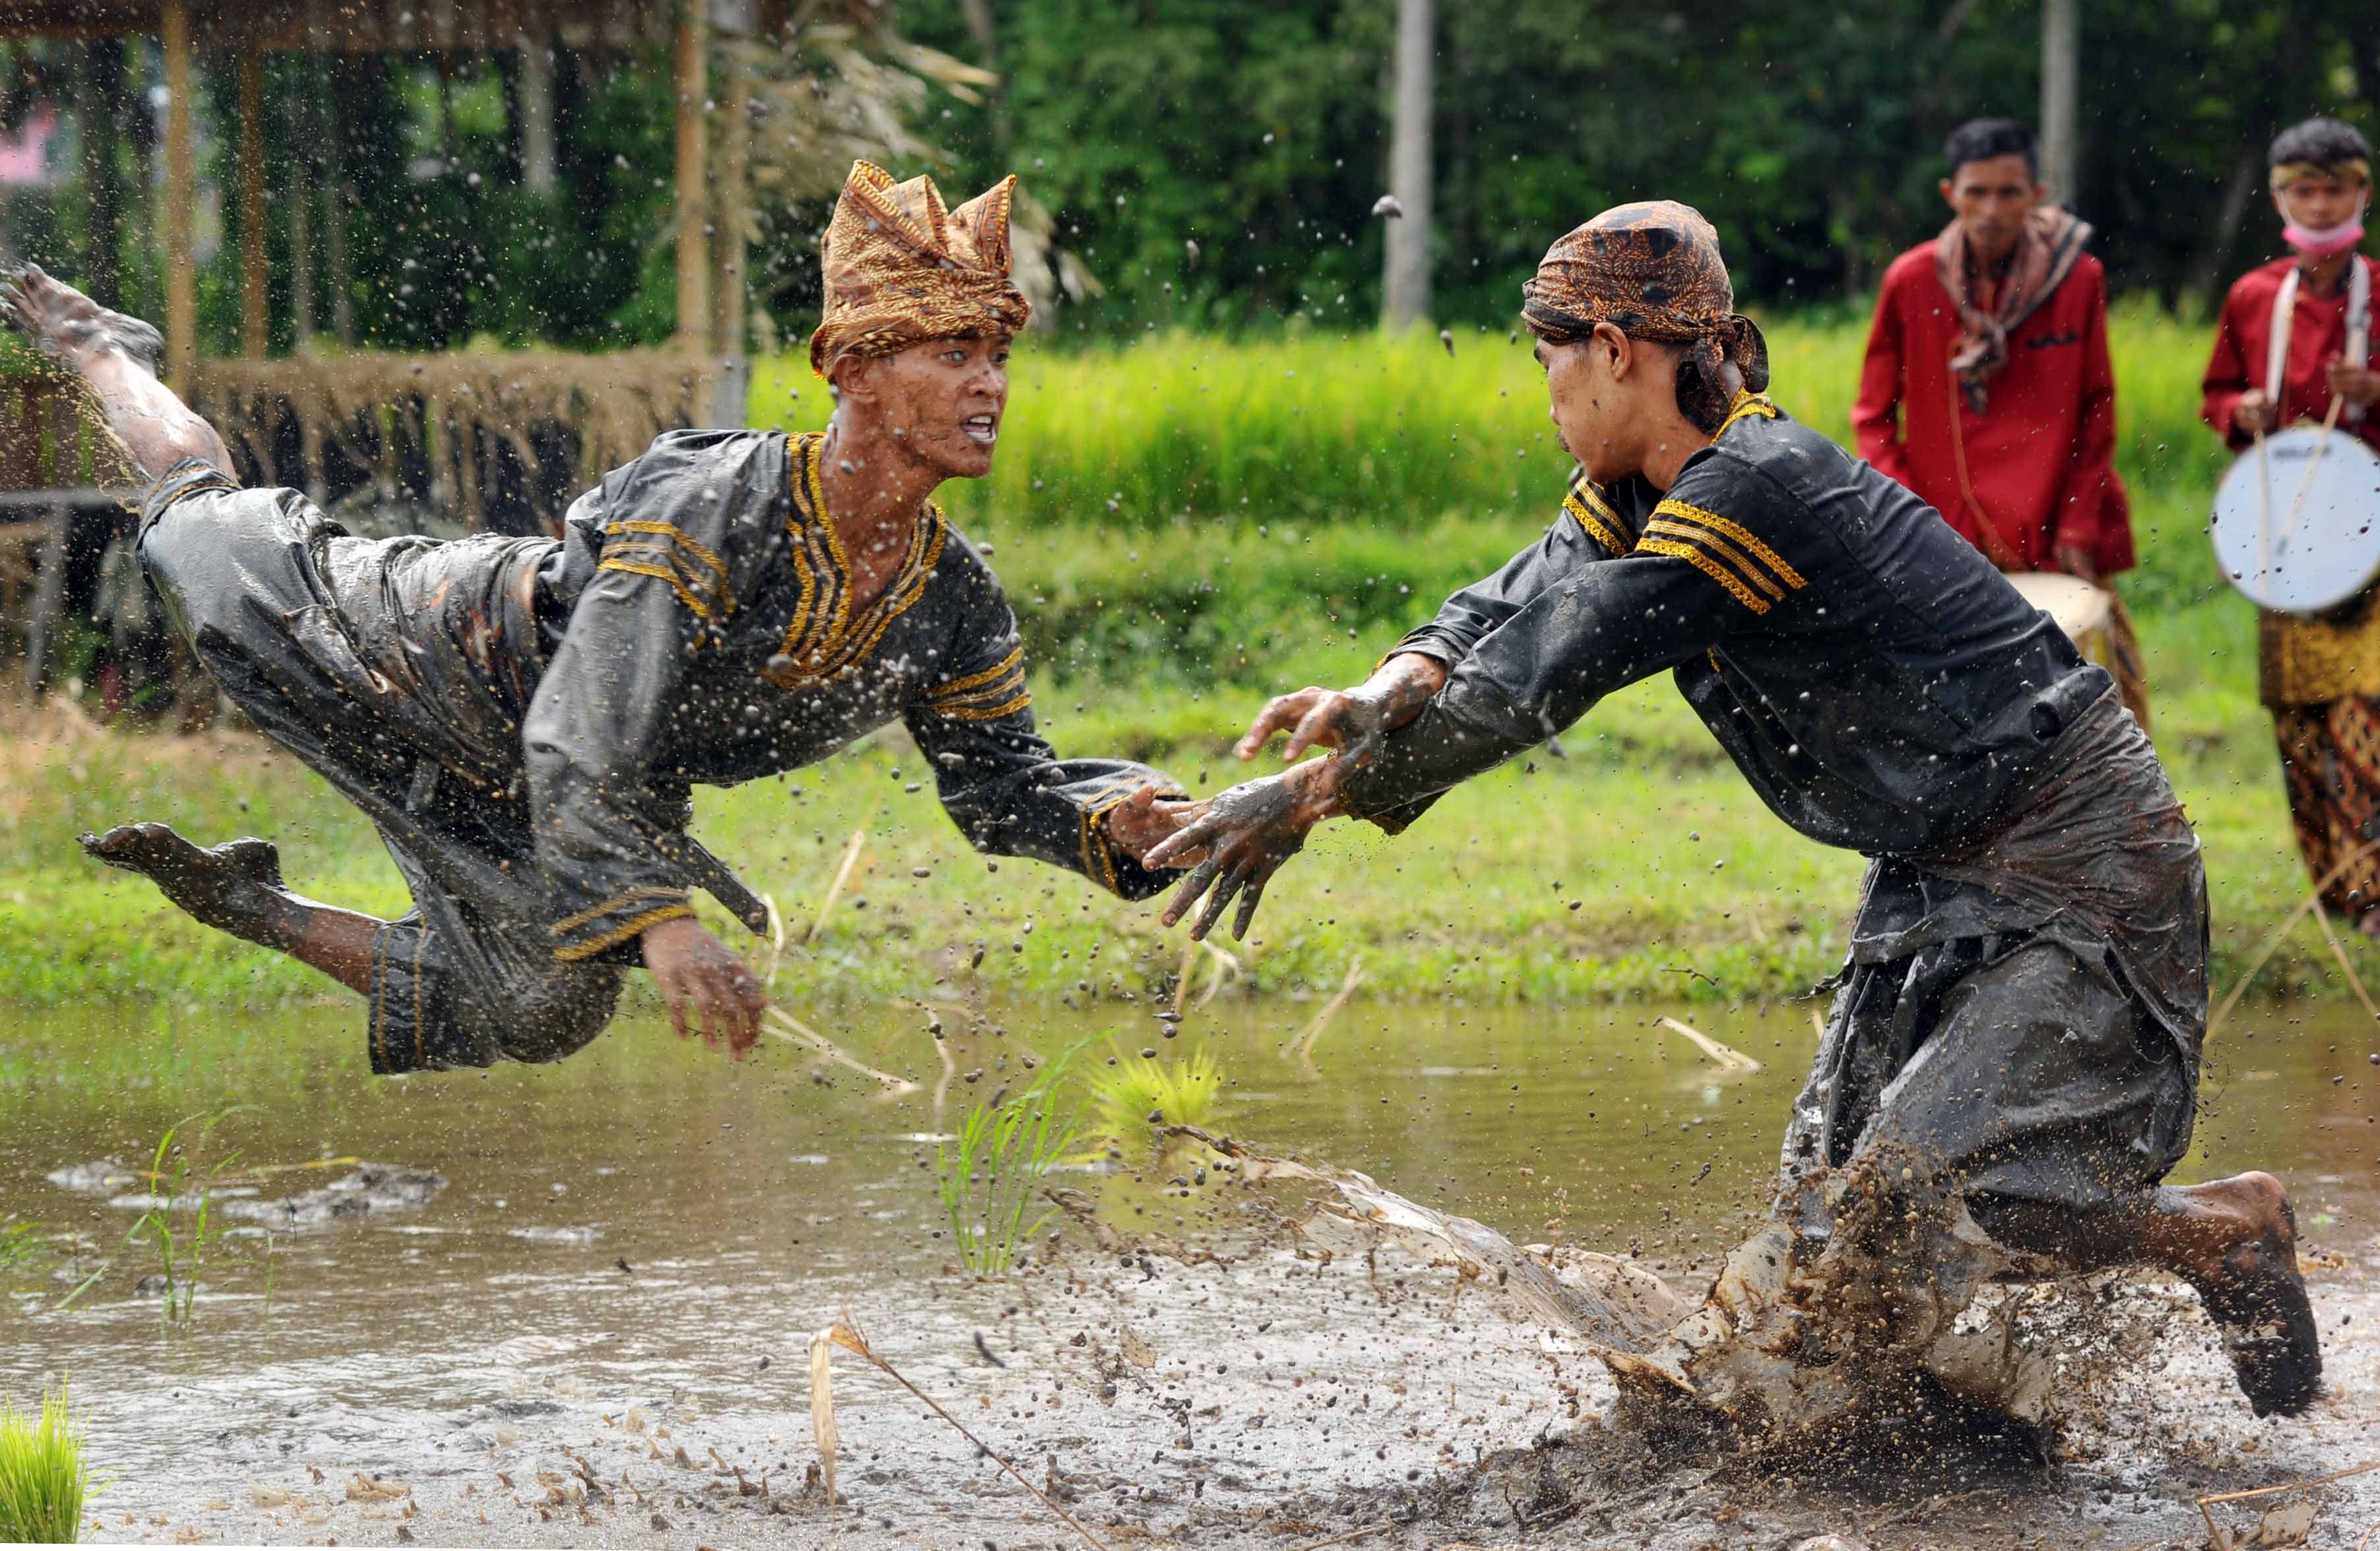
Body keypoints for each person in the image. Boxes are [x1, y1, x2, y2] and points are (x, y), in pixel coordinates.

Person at [1152, 202, 2321, 1419]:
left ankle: (2221, 1233)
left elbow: (1563, 653)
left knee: (1917, 1186)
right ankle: (1905, 1422)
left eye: (1545, 356)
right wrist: (1402, 672)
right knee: (1827, 1217)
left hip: (2074, 847)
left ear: (1613, 351)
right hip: (1936, 861)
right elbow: (1532, 590)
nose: (1541, 387)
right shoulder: (1640, 486)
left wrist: (1317, 792)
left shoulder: (1753, 486)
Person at [1, 160, 1190, 1074]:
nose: (988, 384)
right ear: (855, 370)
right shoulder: (713, 501)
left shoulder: (952, 601)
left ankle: (251, 902)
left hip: (542, 780)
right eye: (953, 352)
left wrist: (1126, 826)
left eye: (996, 355)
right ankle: (108, 352)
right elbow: (579, 729)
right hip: (422, 651)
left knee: (539, 1007)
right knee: (197, 541)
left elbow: (1007, 789)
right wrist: (665, 923)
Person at [1854, 117, 2146, 725]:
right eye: (1976, 192)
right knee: (1960, 721)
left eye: (2009, 192)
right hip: (1947, 535)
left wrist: (2078, 526)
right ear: (1949, 194)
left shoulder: (2078, 278)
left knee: (2102, 712)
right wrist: (1907, 524)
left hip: (2057, 531)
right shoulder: (1911, 279)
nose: (1991, 209)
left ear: (2037, 193)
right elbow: (1874, 417)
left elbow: (2097, 412)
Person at [2202, 118, 2380, 932]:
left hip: (2371, 539)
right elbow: (2216, 397)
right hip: (2284, 538)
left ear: (2361, 195)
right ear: (2278, 198)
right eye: (2300, 190)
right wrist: (2238, 410)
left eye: (2332, 188)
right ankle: (2336, 891)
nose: (2316, 204)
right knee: (2299, 720)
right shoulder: (2251, 298)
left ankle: (2375, 890)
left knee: (2366, 711)